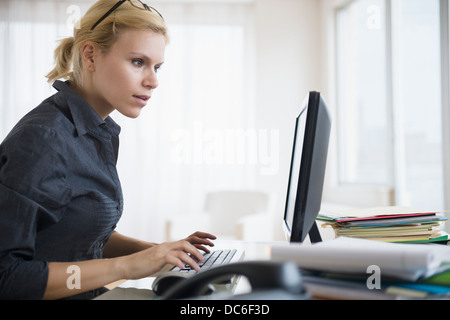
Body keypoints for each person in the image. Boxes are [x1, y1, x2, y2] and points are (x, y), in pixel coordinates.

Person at [0, 0, 216, 300]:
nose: (153, 81)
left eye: (157, 67)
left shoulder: (97, 131)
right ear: (90, 55)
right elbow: (7, 278)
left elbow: (75, 233)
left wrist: (162, 253)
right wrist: (128, 266)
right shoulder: (44, 139)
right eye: (138, 62)